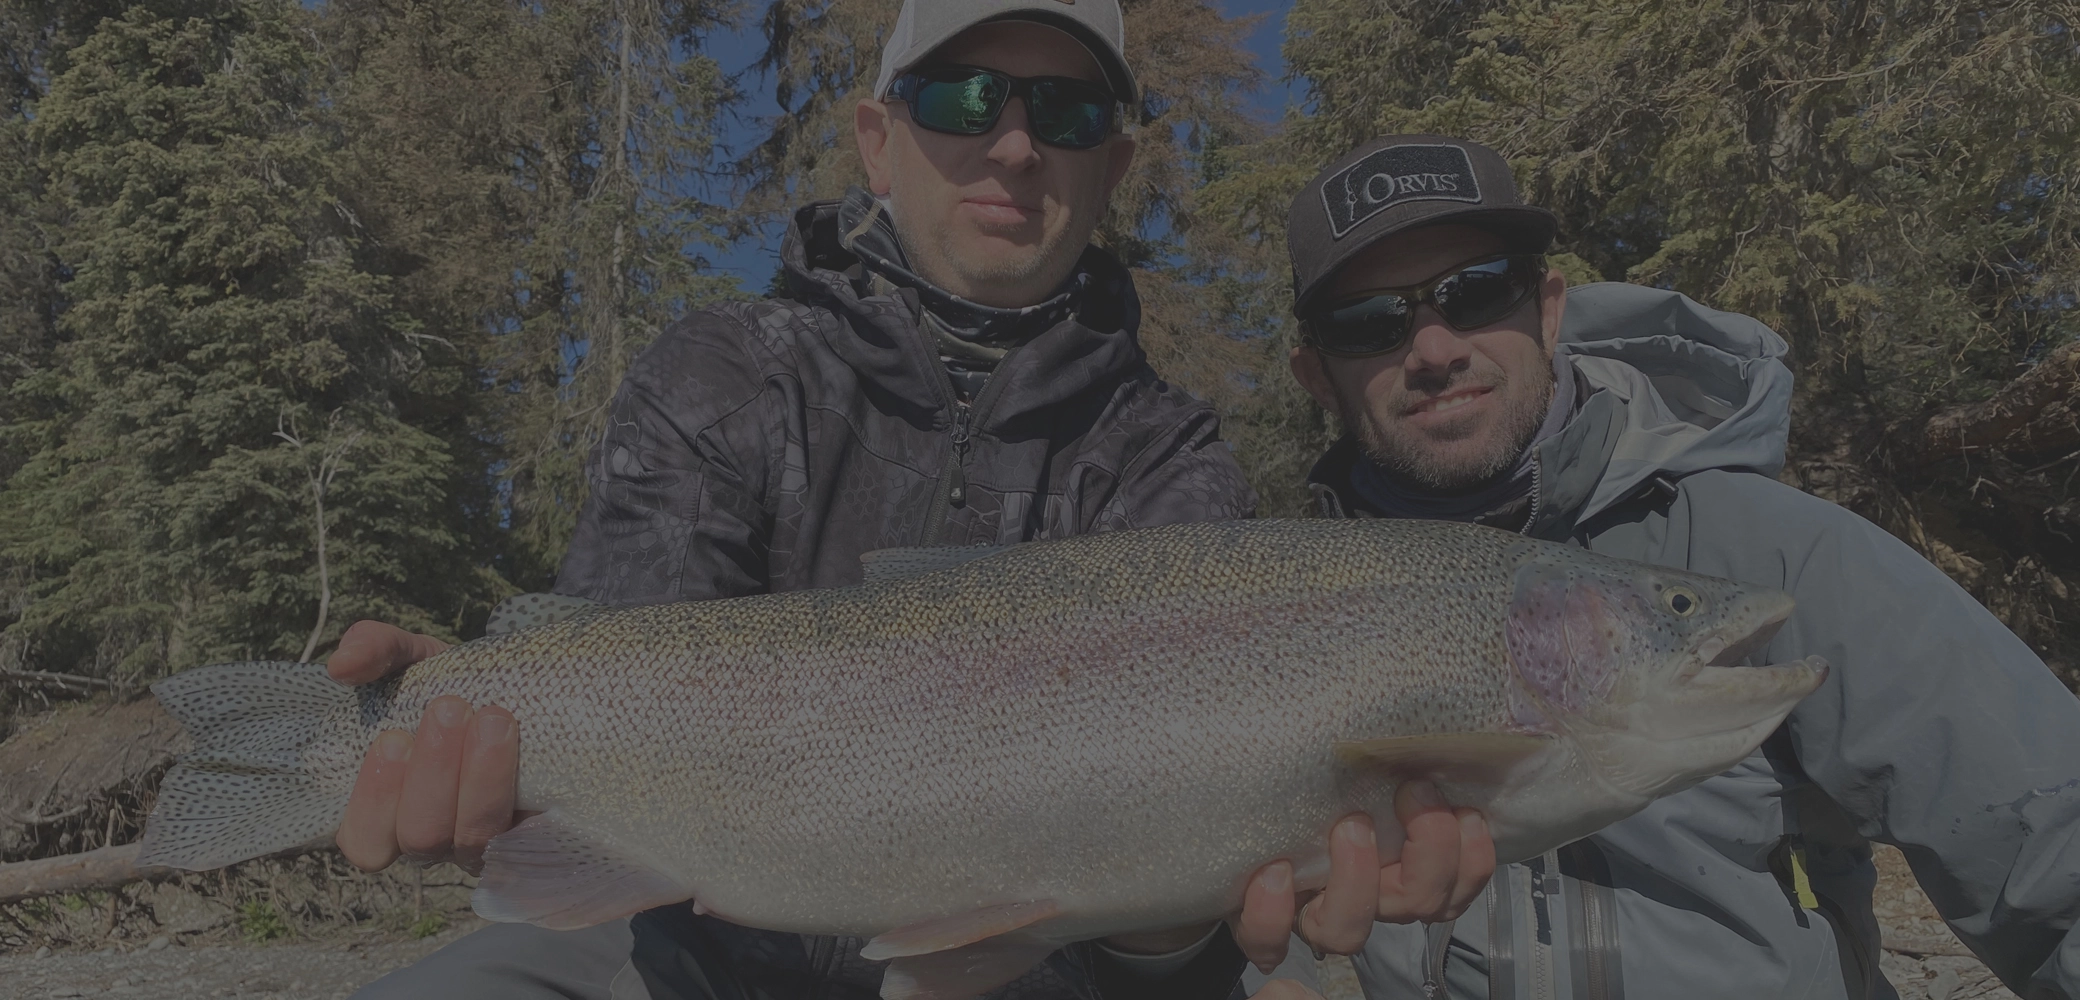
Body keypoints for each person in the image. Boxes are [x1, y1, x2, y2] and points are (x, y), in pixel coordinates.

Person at [329, 10, 1496, 1000]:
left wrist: (1164, 930)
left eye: (1068, 113)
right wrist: (465, 726)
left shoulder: (1168, 457)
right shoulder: (722, 374)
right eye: (964, 97)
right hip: (690, 947)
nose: (1016, 144)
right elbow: (618, 659)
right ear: (878, 143)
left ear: (1113, 166)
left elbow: (1165, 932)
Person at [1277, 134, 2080, 998]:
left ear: (1548, 309)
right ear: (1318, 377)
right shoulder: (1273, 612)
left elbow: (2051, 853)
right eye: (1371, 321)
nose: (1434, 348)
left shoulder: (1775, 553)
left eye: (1477, 291)